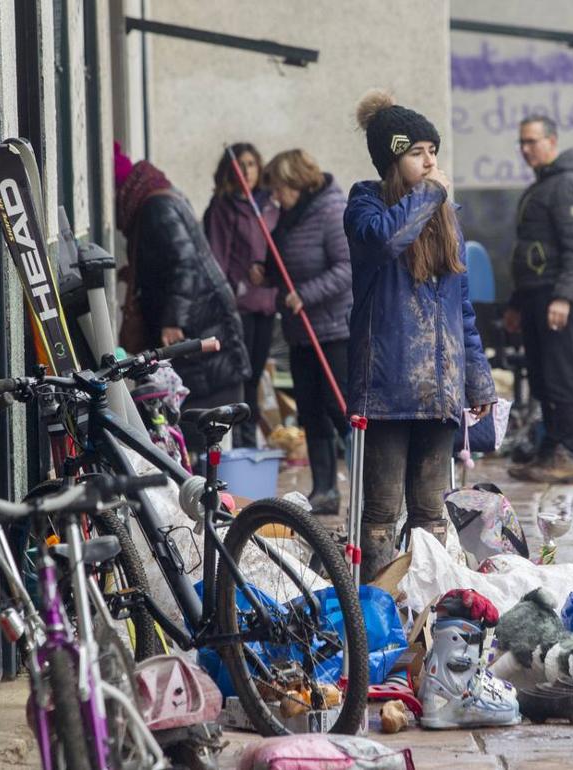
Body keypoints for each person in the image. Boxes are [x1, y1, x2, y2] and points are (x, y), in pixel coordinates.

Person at [343, 89, 496, 582]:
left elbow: (463, 308)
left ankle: (427, 609)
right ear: (393, 161)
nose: (430, 162)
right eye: (417, 153)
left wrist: (479, 378)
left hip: (439, 389)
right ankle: (378, 610)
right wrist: (430, 195)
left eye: (433, 151)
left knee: (432, 513)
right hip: (388, 388)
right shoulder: (365, 203)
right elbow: (385, 239)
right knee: (382, 515)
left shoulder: (445, 217)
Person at [114, 142, 251, 455]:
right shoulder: (164, 198)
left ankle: (207, 494)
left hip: (199, 326)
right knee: (209, 427)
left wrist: (174, 318)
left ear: (122, 191)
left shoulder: (155, 209)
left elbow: (185, 261)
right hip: (208, 319)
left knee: (200, 426)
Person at [504, 115, 573, 482]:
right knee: (541, 377)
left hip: (555, 297)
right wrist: (516, 302)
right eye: (522, 143)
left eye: (532, 142)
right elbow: (527, 251)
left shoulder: (568, 185)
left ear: (552, 142)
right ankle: (549, 449)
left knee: (560, 376)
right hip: (534, 296)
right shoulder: (542, 185)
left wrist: (563, 298)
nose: (526, 150)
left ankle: (567, 452)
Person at [263, 149, 352, 516]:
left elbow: (348, 267)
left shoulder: (331, 211)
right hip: (300, 330)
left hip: (333, 330)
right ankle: (325, 489)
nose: (274, 197)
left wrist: (307, 294)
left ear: (296, 182)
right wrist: (264, 272)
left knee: (339, 408)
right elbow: (282, 264)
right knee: (311, 410)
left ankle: (364, 484)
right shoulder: (287, 217)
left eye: (279, 188)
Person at [203, 142, 278, 448]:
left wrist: (269, 270)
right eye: (240, 165)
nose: (246, 171)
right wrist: (234, 286)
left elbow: (279, 245)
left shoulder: (270, 204)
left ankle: (250, 437)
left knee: (257, 371)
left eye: (251, 164)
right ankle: (243, 440)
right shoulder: (223, 207)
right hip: (239, 304)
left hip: (267, 300)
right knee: (242, 374)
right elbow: (217, 257)